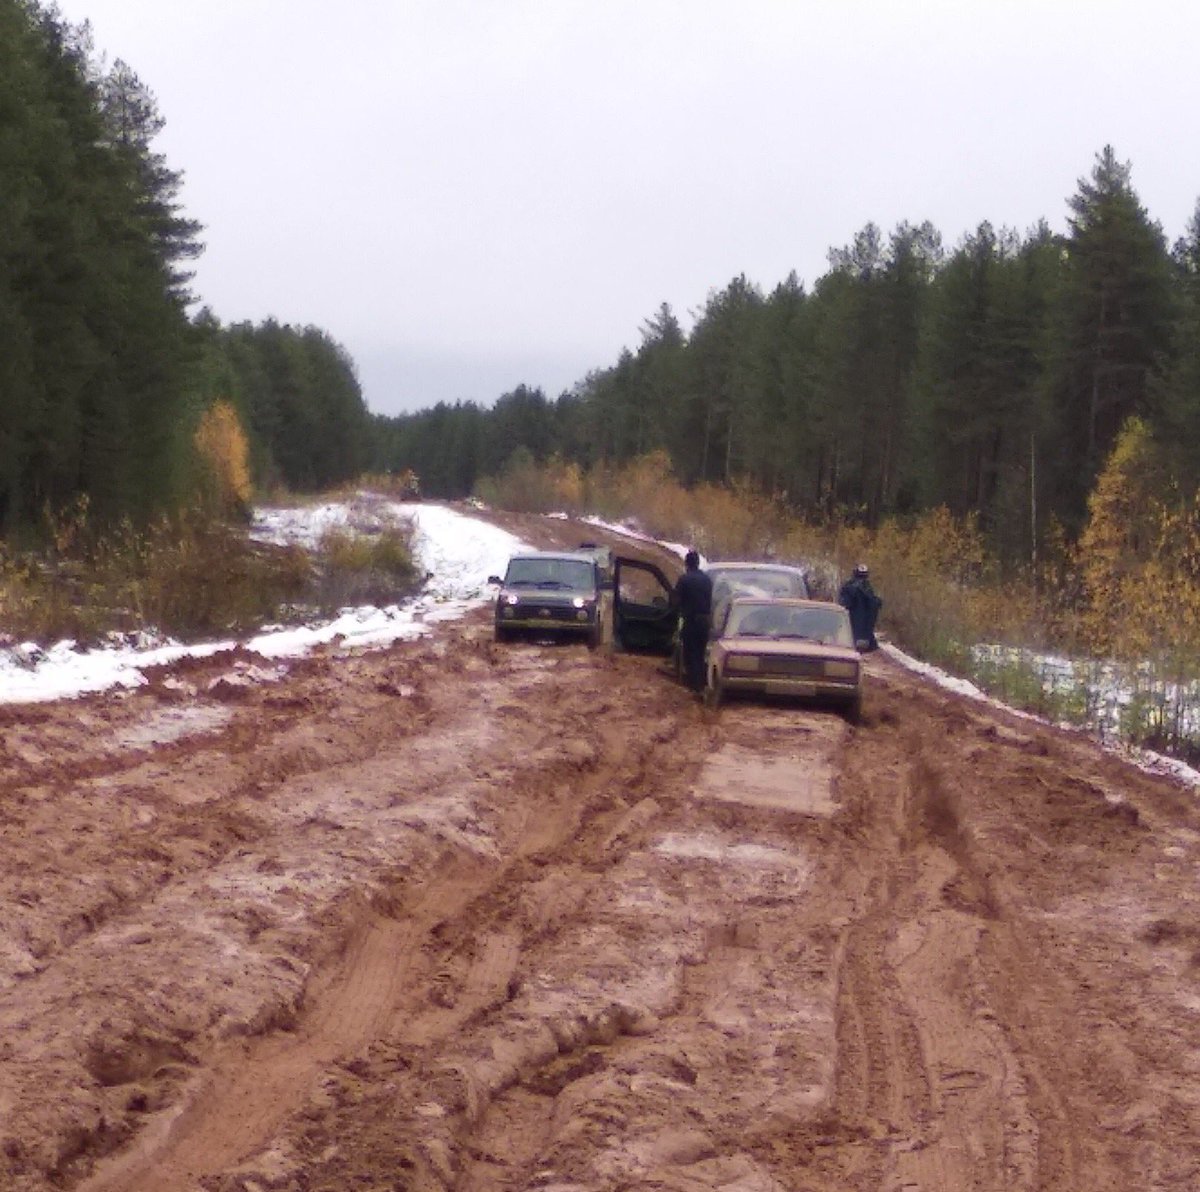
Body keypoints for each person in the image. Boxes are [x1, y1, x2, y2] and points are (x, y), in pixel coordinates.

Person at [673, 549, 713, 693]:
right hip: (705, 622)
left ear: (686, 564)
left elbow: (675, 601)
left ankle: (693, 687)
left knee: (690, 653)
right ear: (697, 563)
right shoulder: (707, 580)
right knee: (700, 654)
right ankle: (701, 685)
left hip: (691, 621)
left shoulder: (684, 580)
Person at [839, 563, 882, 651]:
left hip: (860, 622)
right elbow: (845, 603)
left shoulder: (865, 587)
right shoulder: (851, 586)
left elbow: (872, 603)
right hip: (855, 621)